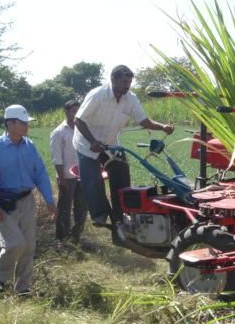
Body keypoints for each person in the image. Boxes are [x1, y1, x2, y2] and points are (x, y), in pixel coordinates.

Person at [72, 65, 174, 244]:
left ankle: (121, 216)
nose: (127, 86)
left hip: (111, 144)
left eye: (129, 82)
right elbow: (78, 120)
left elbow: (143, 120)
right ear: (113, 79)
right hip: (87, 144)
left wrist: (162, 127)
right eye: (124, 82)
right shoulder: (98, 95)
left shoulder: (131, 98)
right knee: (92, 180)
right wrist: (92, 142)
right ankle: (100, 215)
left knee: (122, 176)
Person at [0, 104, 56, 294]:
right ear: (10, 123)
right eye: (22, 123)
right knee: (15, 244)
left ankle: (23, 288)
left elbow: (40, 174)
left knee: (28, 247)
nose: (26, 126)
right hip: (5, 204)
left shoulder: (29, 146)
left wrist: (49, 200)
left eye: (26, 123)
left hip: (27, 201)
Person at [50, 99, 87, 245]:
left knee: (82, 207)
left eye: (79, 111)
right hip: (67, 177)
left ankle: (76, 237)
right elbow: (57, 158)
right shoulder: (58, 133)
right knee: (64, 208)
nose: (77, 114)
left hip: (82, 176)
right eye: (74, 111)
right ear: (66, 112)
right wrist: (62, 178)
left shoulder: (83, 130)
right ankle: (61, 239)